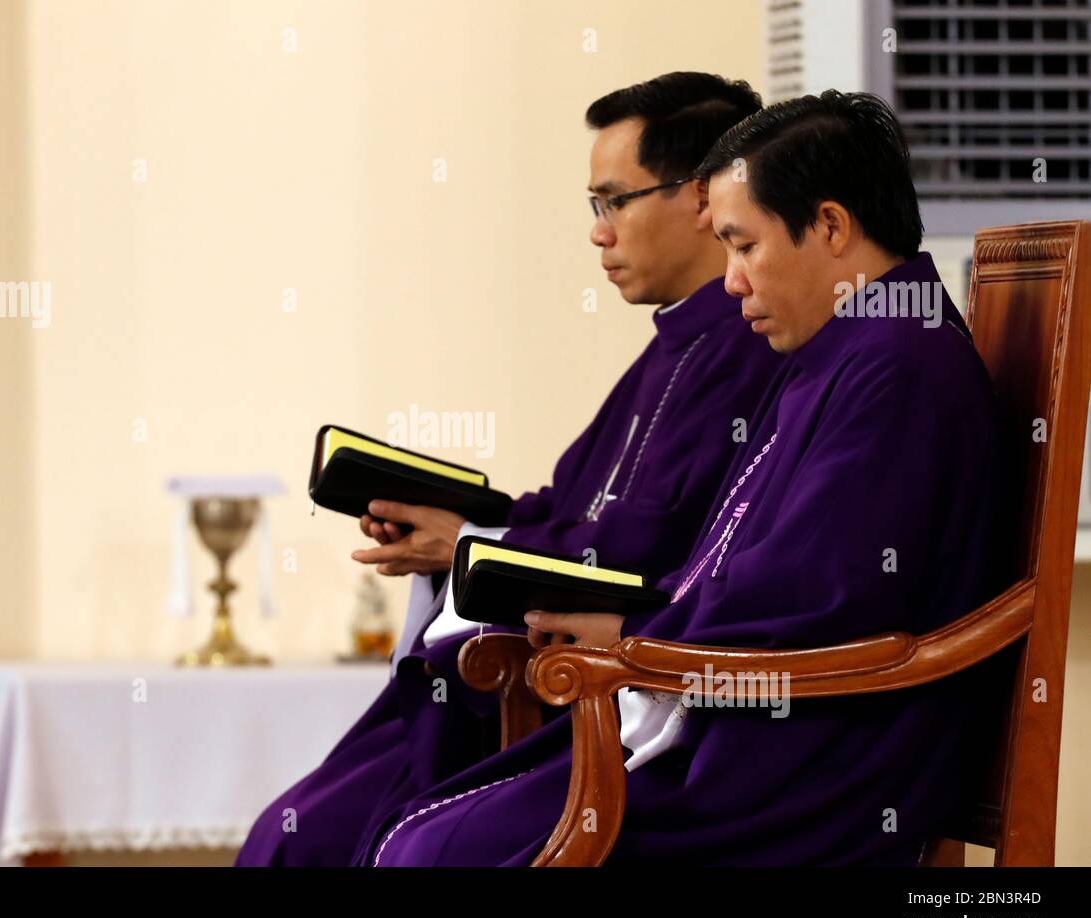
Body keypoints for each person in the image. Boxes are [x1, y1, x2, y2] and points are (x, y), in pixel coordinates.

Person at [359, 90, 1002, 867]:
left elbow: (822, 605)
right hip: (751, 727)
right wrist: (639, 630)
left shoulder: (899, 369)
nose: (730, 282)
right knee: (417, 834)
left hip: (809, 775)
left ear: (831, 226)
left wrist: (637, 641)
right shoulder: (850, 349)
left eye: (744, 245)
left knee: (430, 853)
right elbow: (750, 574)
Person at [237, 73, 782, 866]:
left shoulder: (746, 351)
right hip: (547, 674)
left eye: (612, 201)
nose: (598, 232)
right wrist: (462, 525)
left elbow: (646, 553)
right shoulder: (674, 346)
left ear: (700, 197)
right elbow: (570, 504)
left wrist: (471, 545)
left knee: (320, 840)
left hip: (587, 696)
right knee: (290, 832)